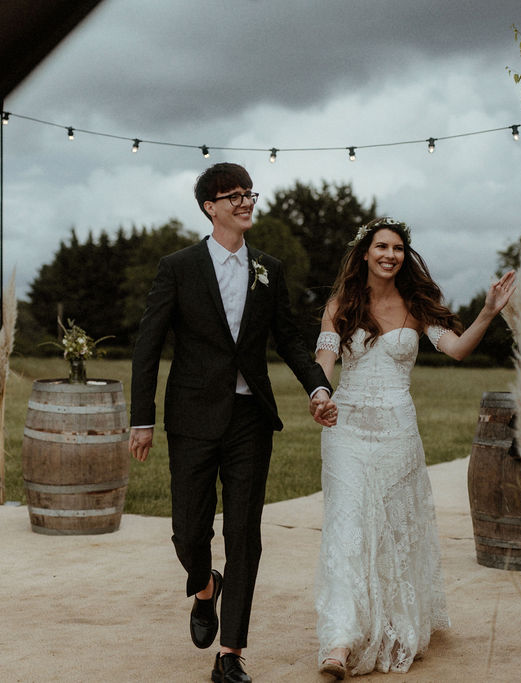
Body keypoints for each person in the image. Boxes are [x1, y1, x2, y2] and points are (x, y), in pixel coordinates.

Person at [129, 162, 336, 683]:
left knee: (244, 533)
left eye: (249, 193)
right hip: (192, 419)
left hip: (250, 420)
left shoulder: (268, 268)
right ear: (210, 207)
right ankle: (205, 588)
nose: (245, 202)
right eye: (233, 195)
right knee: (187, 532)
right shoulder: (178, 267)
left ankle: (231, 653)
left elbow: (288, 338)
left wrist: (318, 386)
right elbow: (148, 345)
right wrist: (141, 419)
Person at [312, 217, 515, 679]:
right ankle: (340, 640)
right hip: (346, 429)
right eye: (382, 247)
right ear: (365, 253)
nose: (390, 255)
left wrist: (489, 311)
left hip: (398, 434)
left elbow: (457, 349)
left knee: (393, 531)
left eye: (398, 248)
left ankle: (389, 622)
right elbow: (324, 362)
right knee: (346, 529)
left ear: (405, 256)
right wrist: (319, 396)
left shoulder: (418, 306)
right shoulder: (340, 305)